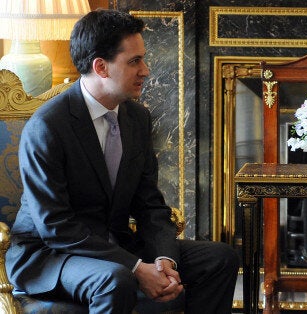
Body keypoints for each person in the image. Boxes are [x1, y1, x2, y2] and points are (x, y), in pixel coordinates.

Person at [6, 9, 238, 314]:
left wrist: (163, 260)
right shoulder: (48, 125)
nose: (146, 70)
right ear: (101, 67)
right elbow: (55, 226)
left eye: (143, 59)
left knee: (220, 257)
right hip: (49, 254)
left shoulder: (137, 118)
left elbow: (150, 205)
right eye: (134, 61)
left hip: (115, 244)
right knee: (116, 279)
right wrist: (136, 267)